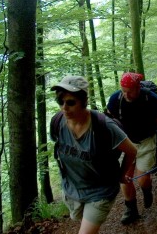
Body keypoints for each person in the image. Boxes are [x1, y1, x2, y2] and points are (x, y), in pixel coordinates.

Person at [50, 75, 137, 234]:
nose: (64, 107)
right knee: (82, 221)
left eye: (70, 102)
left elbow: (132, 151)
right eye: (60, 102)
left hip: (100, 191)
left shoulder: (104, 127)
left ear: (83, 101)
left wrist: (121, 175)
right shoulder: (57, 123)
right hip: (72, 190)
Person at [106, 72, 157, 225]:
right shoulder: (116, 99)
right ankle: (131, 209)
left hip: (147, 142)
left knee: (143, 179)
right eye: (123, 90)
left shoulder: (152, 100)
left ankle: (147, 190)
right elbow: (108, 122)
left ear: (138, 87)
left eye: (129, 90)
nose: (126, 94)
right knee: (125, 178)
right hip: (125, 142)